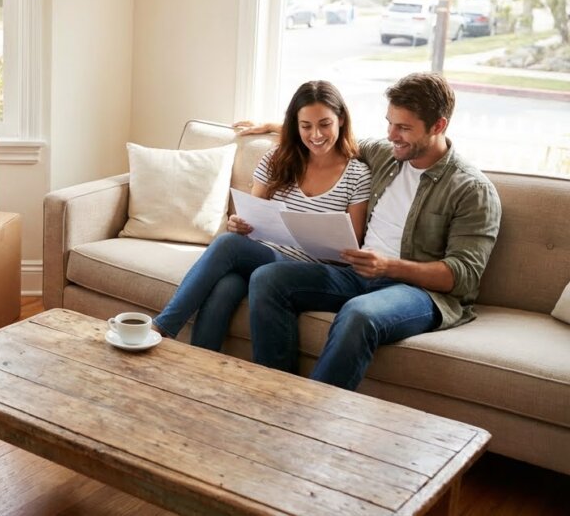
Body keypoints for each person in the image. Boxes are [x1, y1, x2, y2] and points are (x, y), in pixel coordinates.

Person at [244, 72, 501, 391]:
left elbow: (462, 276)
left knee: (358, 314)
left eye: (404, 127)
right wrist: (277, 126)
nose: (392, 134)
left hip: (418, 292)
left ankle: (309, 420)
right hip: (357, 275)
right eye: (389, 123)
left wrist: (389, 266)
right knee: (268, 278)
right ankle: (274, 394)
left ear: (438, 126)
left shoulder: (471, 190)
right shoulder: (385, 154)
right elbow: (325, 137)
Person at [152, 81, 371, 350]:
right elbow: (252, 217)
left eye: (325, 124)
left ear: (341, 120)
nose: (316, 134)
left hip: (309, 272)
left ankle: (162, 327)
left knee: (227, 247)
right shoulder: (277, 159)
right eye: (306, 126)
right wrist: (238, 224)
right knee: (226, 284)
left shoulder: (357, 175)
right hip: (263, 255)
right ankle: (199, 369)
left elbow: (351, 245)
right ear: (295, 125)